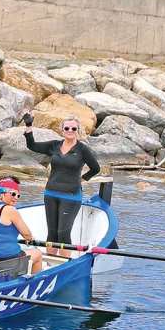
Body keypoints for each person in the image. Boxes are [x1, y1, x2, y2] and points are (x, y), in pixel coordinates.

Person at [21, 110, 100, 257]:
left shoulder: (83, 150)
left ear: (78, 131)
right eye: (67, 128)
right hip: (50, 193)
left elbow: (96, 168)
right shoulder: (54, 145)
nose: (70, 131)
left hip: (71, 196)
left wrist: (81, 180)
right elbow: (32, 146)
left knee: (63, 233)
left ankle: (64, 263)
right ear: (62, 130)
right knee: (52, 233)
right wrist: (29, 125)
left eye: (74, 129)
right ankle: (51, 262)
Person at [0, 176, 42, 274]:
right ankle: (35, 282)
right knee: (37, 253)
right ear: (2, 193)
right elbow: (27, 234)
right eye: (13, 194)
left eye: (18, 195)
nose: (16, 198)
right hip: (5, 258)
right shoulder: (10, 210)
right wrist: (30, 239)